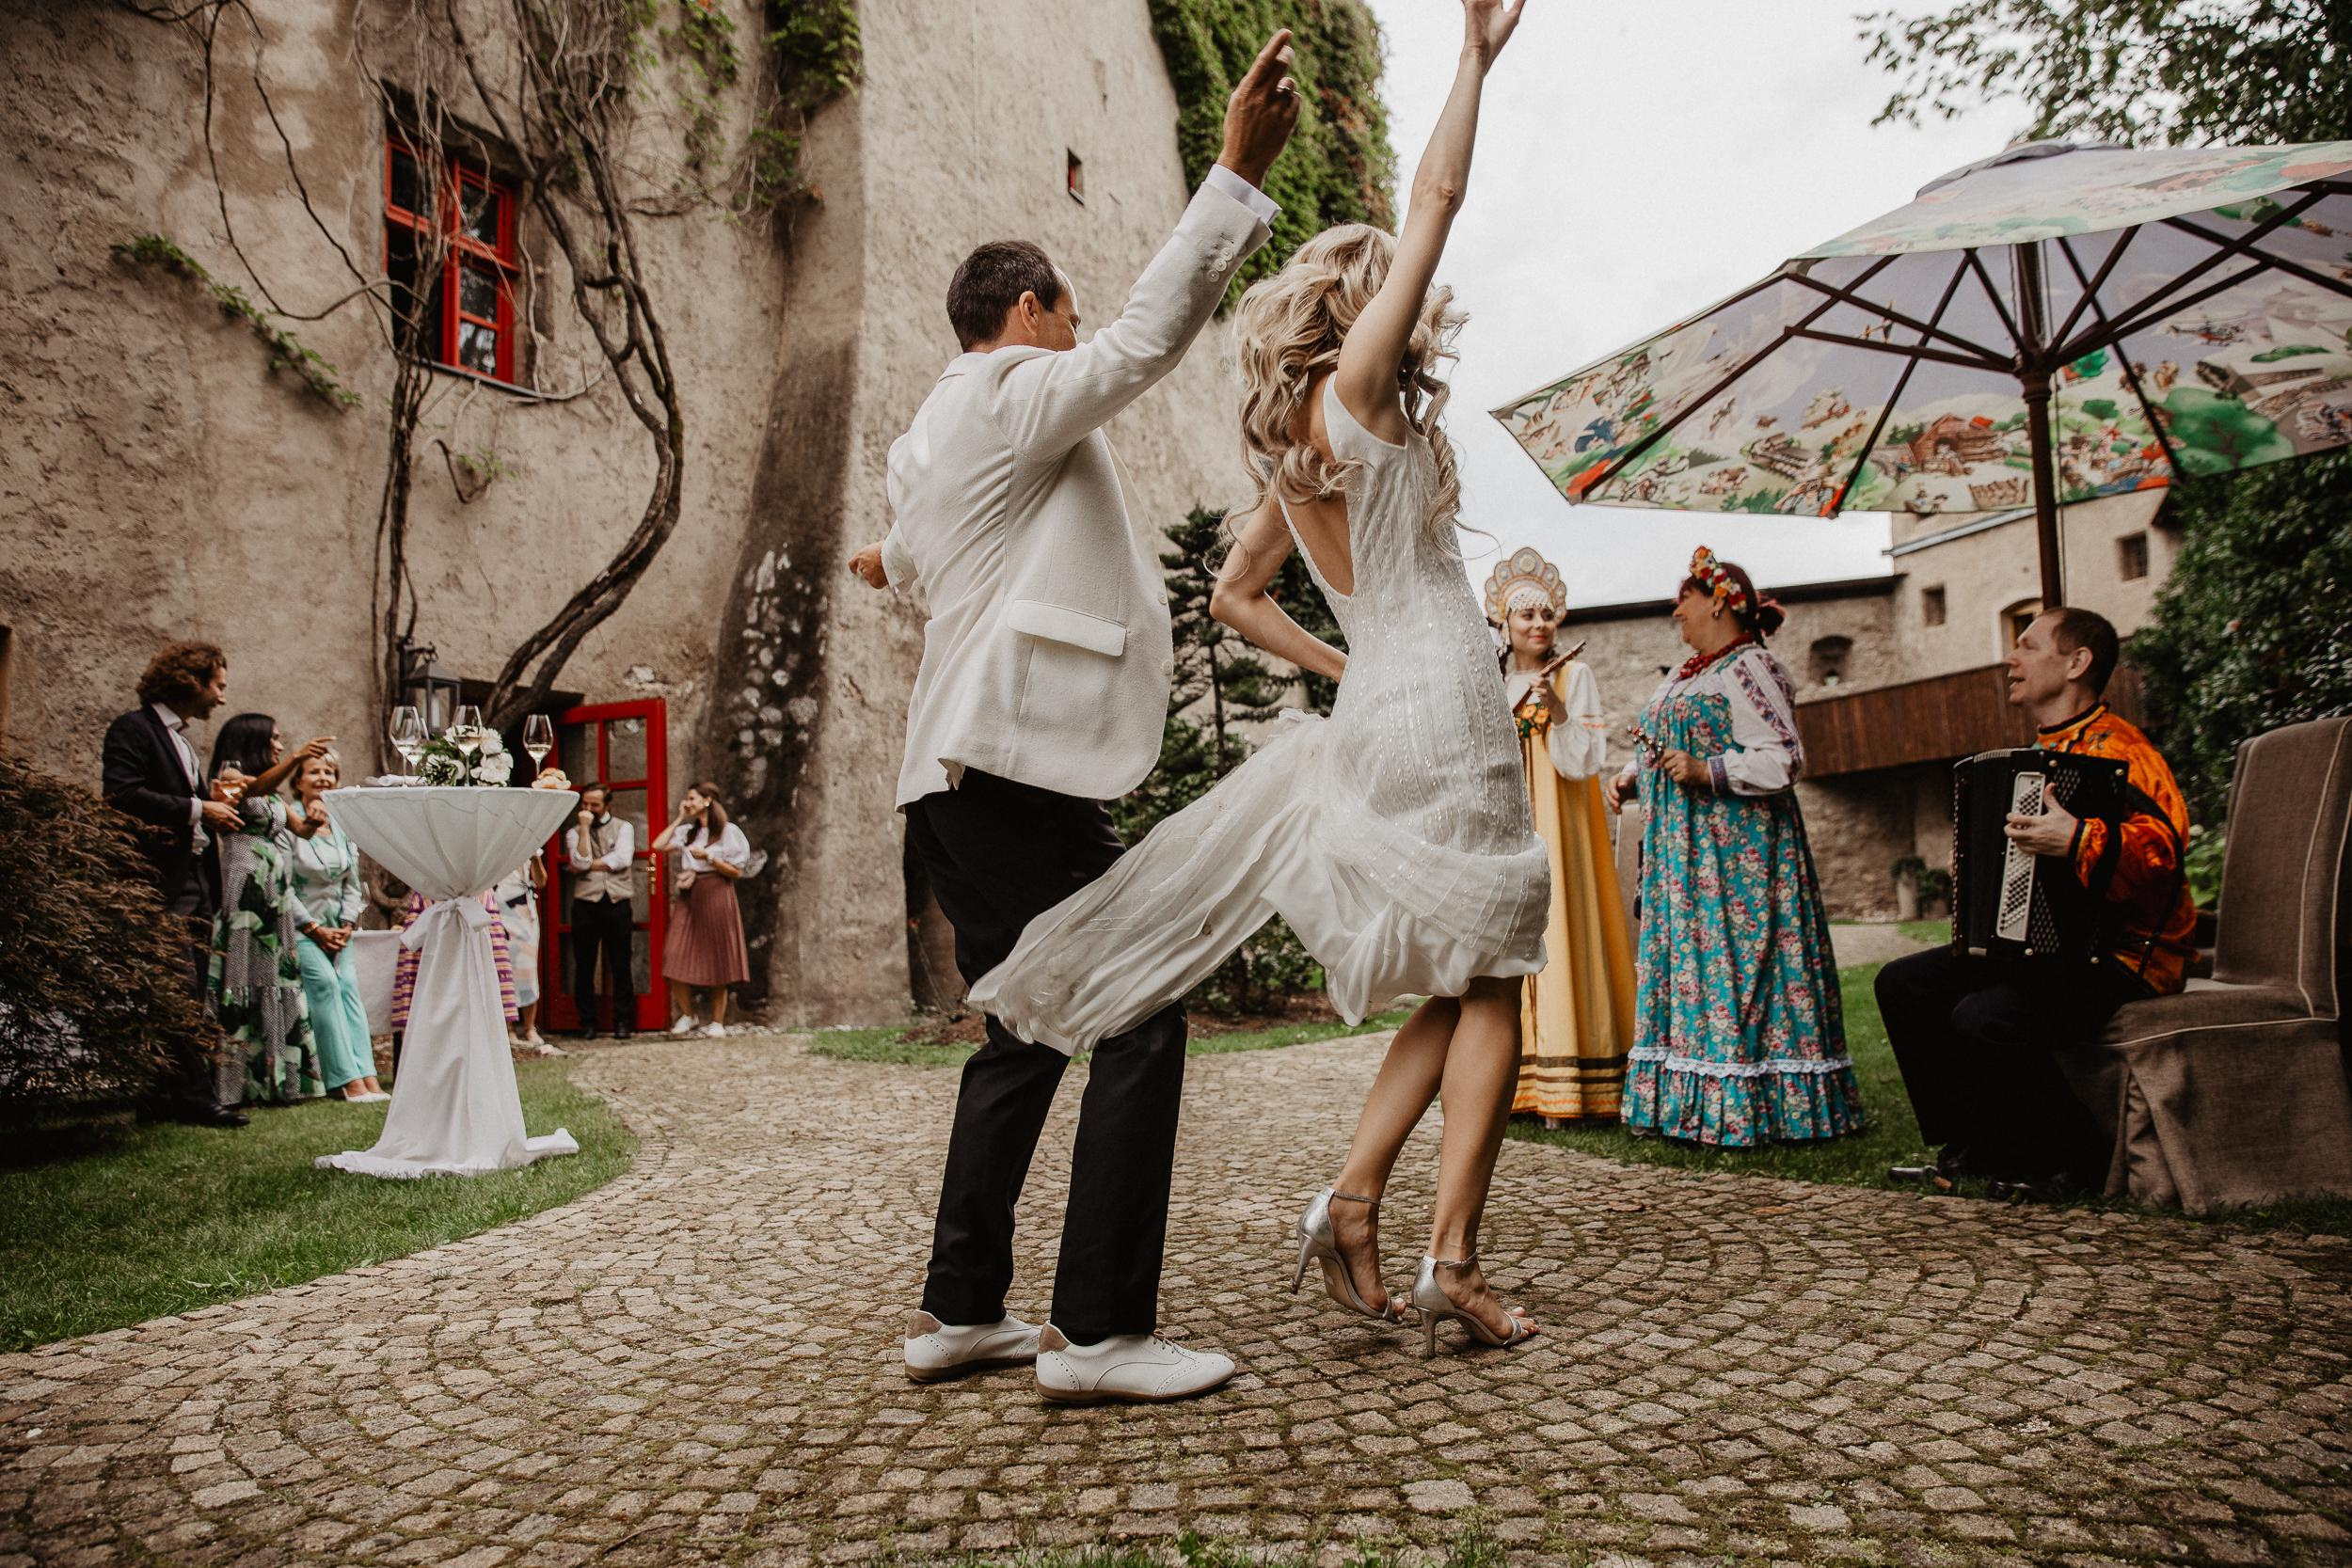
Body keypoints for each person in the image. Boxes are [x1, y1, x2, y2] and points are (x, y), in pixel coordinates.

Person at [969, 0, 1544, 1363]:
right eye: (1391, 281)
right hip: (1446, 704)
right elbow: (1443, 192)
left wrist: (1355, 667)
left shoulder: (1297, 444)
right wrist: (1471, 58)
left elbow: (1236, 596)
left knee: (1461, 982)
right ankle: (1448, 1259)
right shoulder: (1357, 390)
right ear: (1358, 303)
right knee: (1500, 972)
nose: (1413, 292)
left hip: (1387, 706)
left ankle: (1356, 1202)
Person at [844, 28, 1298, 1404]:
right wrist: (1230, 175)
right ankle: (1100, 1333)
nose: (1074, 323)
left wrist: (885, 558)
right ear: (1030, 306)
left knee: (1028, 1026)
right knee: (1144, 1000)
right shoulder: (1015, 389)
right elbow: (1148, 340)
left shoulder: (925, 434)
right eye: (1064, 305)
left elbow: (921, 553)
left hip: (958, 777)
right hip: (1010, 769)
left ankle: (960, 1311)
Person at [1877, 607, 2196, 1199]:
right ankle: (1976, 1144)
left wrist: (2076, 838)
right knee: (1904, 985)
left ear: (2077, 663)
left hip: (2129, 958)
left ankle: (2075, 1160)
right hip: (2056, 949)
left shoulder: (2127, 753)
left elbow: (2164, 856)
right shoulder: (2038, 755)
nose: (2010, 658)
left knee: (1985, 1017)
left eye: (2027, 646)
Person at [1602, 548, 1863, 1148]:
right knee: (1694, 969)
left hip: (1735, 855)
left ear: (1718, 600)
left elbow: (1784, 756)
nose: (1676, 613)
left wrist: (1709, 770)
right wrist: (1632, 775)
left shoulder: (1752, 668)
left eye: (1683, 599)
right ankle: (1689, 1099)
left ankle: (1758, 1098)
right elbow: (1671, 740)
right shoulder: (1689, 673)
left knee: (1742, 967)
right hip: (1684, 854)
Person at [1485, 549, 1636, 1125]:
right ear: (1504, 622)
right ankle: (1514, 1086)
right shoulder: (1492, 679)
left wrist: (1558, 711)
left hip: (1562, 830)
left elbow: (1585, 762)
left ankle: (1575, 1086)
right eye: (1526, 616)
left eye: (1547, 615)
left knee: (1563, 927)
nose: (1539, 625)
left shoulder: (1576, 677)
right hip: (1507, 829)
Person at [101, 641, 247, 1126]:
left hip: (196, 882)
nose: (222, 699)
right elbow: (121, 796)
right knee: (178, 987)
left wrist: (213, 811)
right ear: (192, 681)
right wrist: (198, 808)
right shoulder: (133, 729)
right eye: (218, 686)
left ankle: (157, 1096)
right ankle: (194, 1096)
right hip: (159, 883)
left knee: (184, 988)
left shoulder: (182, 741)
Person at [206, 712, 336, 1104]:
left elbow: (298, 829)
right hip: (245, 883)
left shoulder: (273, 793)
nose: (280, 745)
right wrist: (296, 759)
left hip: (273, 889)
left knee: (275, 974)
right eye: (274, 739)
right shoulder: (231, 779)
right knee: (245, 972)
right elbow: (250, 791)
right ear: (253, 741)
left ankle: (278, 1078)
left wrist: (314, 819)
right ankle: (234, 1083)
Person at [287, 750, 388, 1101]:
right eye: (314, 772)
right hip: (301, 928)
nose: (324, 778)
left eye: (330, 772)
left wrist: (345, 923)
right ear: (297, 781)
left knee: (348, 988)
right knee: (326, 986)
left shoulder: (342, 825)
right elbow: (282, 885)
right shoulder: (289, 823)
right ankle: (344, 1079)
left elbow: (351, 881)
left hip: (339, 928)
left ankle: (369, 1075)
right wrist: (314, 928)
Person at [654, 783, 751, 1037]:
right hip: (690, 894)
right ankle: (688, 1014)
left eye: (692, 799)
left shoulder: (729, 832)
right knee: (672, 953)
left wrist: (709, 858)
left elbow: (737, 871)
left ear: (707, 800)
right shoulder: (688, 831)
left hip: (717, 891)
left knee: (718, 955)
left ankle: (717, 1021)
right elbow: (658, 845)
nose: (689, 802)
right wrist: (679, 817)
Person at [566, 783, 637, 1039]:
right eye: (585, 804)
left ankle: (623, 1022)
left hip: (617, 902)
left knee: (621, 964)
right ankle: (587, 1022)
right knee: (584, 965)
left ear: (608, 805)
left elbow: (622, 859)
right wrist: (585, 828)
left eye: (594, 805)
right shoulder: (574, 832)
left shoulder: (624, 827)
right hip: (585, 904)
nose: (588, 809)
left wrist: (587, 867)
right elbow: (579, 861)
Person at [497, 853, 552, 1053]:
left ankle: (529, 1027)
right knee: (503, 968)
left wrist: (535, 858)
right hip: (500, 907)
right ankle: (508, 1027)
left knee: (527, 968)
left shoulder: (527, 848)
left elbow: (541, 881)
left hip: (523, 912)